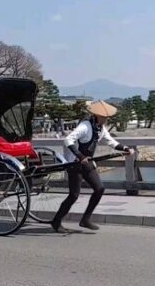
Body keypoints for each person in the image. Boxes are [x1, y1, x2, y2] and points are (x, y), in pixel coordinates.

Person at [50, 100, 134, 233]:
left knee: (99, 188)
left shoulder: (100, 128)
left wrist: (125, 148)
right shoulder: (85, 126)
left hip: (88, 162)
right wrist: (80, 156)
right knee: (74, 195)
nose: (106, 119)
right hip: (75, 163)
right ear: (97, 116)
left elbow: (110, 141)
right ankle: (56, 221)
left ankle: (85, 219)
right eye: (104, 117)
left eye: (107, 117)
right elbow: (68, 140)